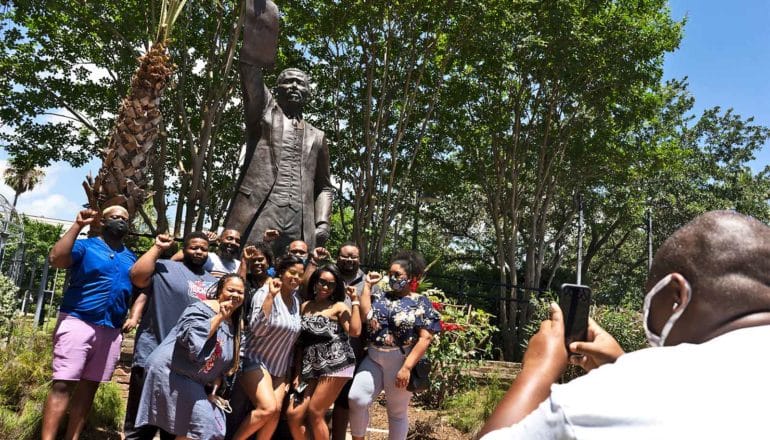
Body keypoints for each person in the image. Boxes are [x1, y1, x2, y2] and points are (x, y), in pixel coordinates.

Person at [478, 210, 770, 439]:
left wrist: (539, 370)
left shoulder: (608, 396)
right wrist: (623, 364)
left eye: (648, 303)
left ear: (676, 296)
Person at [224, 0, 333, 255]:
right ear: (277, 89)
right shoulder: (264, 113)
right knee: (249, 266)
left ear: (308, 94)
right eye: (289, 82)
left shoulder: (318, 136)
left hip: (300, 219)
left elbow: (324, 185)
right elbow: (250, 71)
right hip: (261, 208)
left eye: (301, 83)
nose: (295, 86)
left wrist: (323, 221)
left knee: (295, 275)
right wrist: (260, 25)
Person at [41, 206, 136, 440]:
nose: (120, 222)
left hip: (111, 329)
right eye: (115, 217)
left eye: (124, 219)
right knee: (63, 384)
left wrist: (134, 314)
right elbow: (57, 259)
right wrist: (78, 226)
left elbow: (141, 287)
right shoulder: (86, 245)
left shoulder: (131, 257)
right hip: (78, 320)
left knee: (89, 387)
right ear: (103, 222)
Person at [123, 232, 217, 440]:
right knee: (140, 425)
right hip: (152, 354)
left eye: (203, 248)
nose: (199, 251)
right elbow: (137, 277)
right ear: (184, 249)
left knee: (173, 427)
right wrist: (158, 247)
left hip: (185, 367)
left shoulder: (213, 283)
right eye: (194, 247)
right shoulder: (165, 268)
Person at [135, 274, 245, 439]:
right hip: (171, 372)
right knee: (204, 427)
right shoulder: (202, 309)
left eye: (240, 292)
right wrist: (219, 317)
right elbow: (191, 339)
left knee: (196, 430)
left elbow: (221, 365)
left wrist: (214, 392)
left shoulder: (234, 324)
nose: (235, 295)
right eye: (231, 290)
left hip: (193, 379)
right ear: (220, 291)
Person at [348, 250, 441, 440]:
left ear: (411, 277)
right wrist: (367, 285)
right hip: (373, 357)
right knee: (357, 399)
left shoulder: (420, 302)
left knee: (396, 412)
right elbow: (366, 314)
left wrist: (407, 367)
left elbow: (425, 338)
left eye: (397, 275)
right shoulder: (381, 297)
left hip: (400, 360)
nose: (392, 278)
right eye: (390, 273)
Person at [231, 254, 306, 440]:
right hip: (254, 359)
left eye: (300, 274)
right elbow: (257, 329)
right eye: (292, 272)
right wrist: (271, 296)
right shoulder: (265, 292)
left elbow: (291, 340)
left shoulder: (297, 301)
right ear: (282, 271)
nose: (296, 277)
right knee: (267, 408)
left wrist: (289, 373)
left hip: (279, 368)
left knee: (275, 413)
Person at [303, 242, 370, 440]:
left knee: (340, 403)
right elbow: (306, 287)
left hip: (343, 354)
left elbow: (359, 325)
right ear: (337, 257)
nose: (349, 260)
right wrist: (313, 261)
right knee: (312, 410)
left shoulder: (365, 281)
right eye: (345, 256)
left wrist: (357, 299)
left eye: (354, 257)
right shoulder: (325, 279)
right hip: (313, 359)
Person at [286, 264, 362, 440]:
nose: (325, 287)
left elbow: (355, 331)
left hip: (337, 364)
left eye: (331, 284)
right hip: (310, 368)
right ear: (314, 282)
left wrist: (355, 302)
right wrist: (298, 373)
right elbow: (300, 344)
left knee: (315, 412)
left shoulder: (338, 306)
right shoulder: (304, 306)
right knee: (293, 415)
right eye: (322, 282)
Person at [172, 228, 242, 278]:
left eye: (237, 241)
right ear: (218, 241)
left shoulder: (239, 265)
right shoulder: (207, 257)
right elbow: (173, 260)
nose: (233, 243)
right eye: (229, 238)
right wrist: (206, 242)